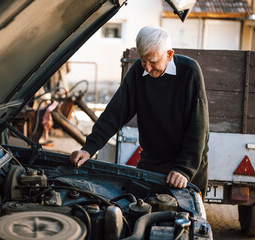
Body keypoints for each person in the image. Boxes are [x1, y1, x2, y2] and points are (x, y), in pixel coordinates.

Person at [69, 25, 209, 197]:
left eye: (153, 61)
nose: (147, 68)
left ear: (169, 54)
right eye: (143, 60)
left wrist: (184, 169)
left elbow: (198, 125)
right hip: (152, 162)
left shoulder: (190, 71)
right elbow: (115, 112)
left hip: (188, 166)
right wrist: (89, 148)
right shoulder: (138, 71)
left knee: (185, 220)